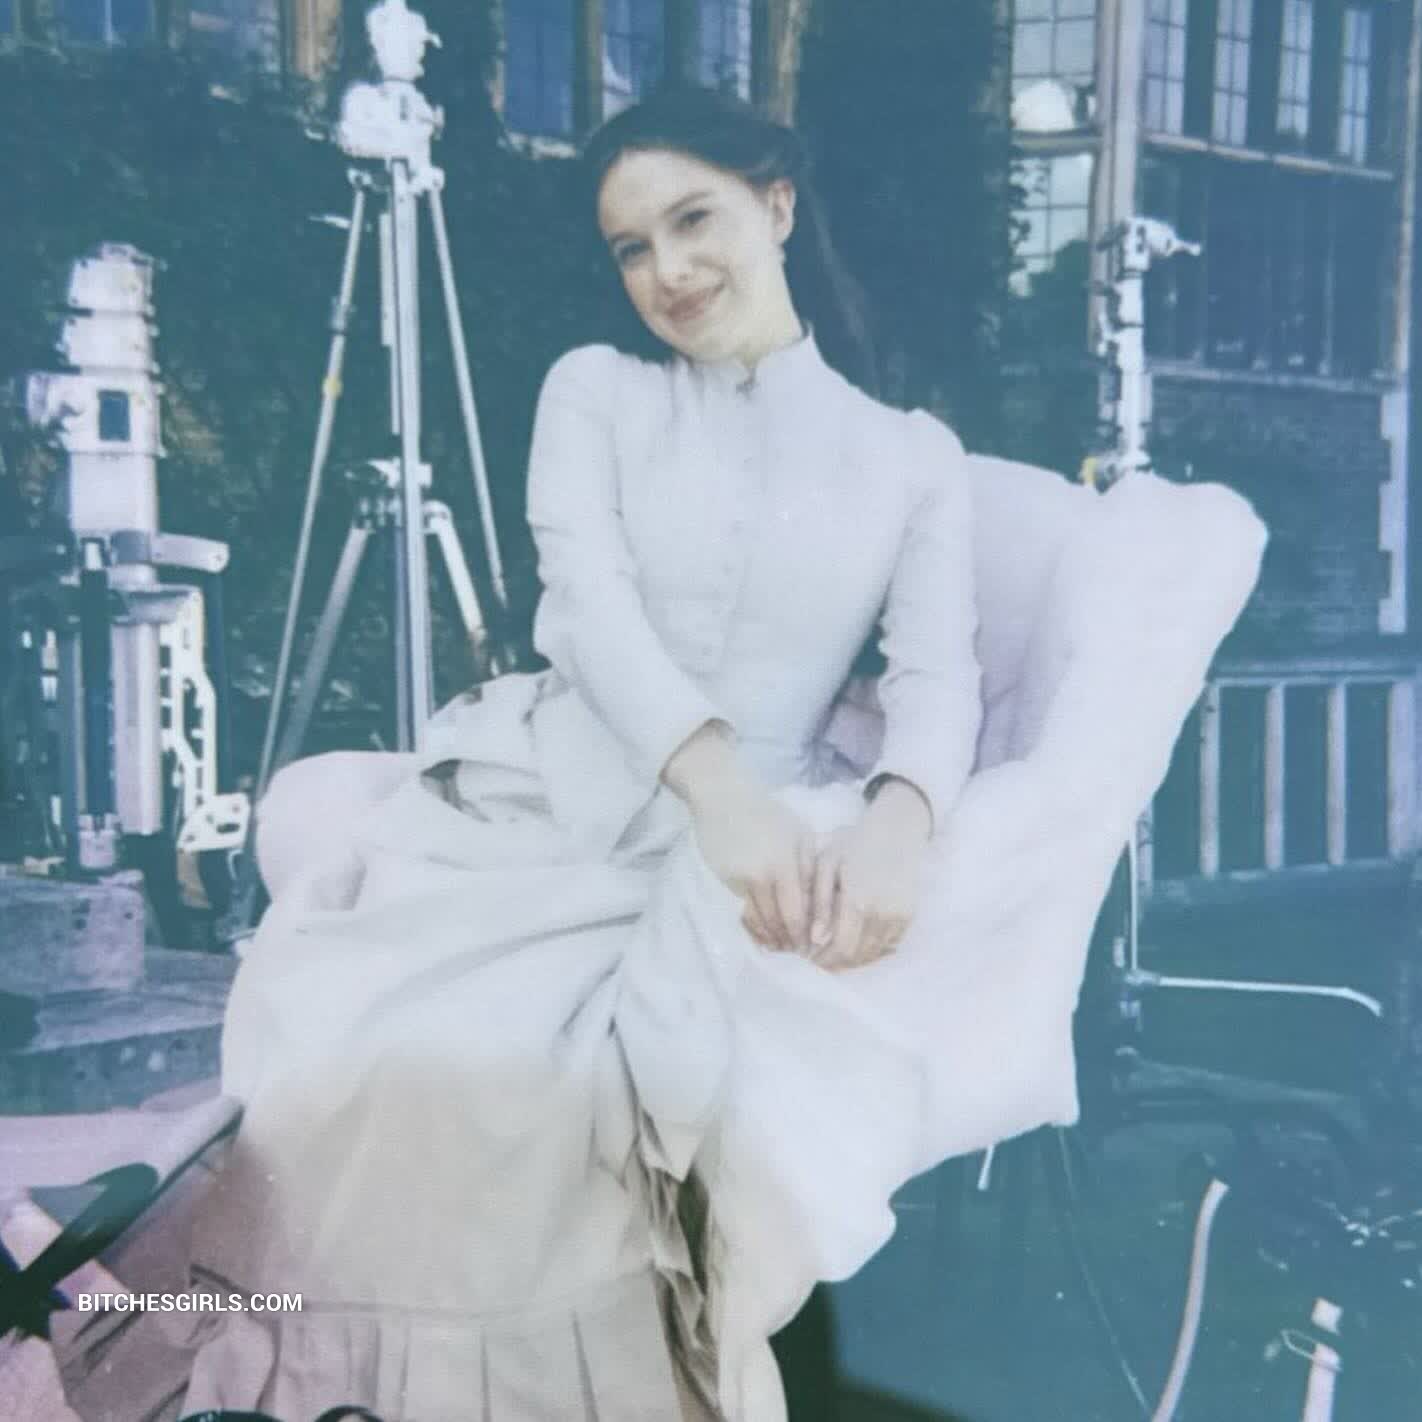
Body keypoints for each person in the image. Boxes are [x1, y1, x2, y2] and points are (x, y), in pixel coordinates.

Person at [49, 83, 1266, 1422]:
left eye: (694, 220)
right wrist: (716, 789)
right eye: (632, 247)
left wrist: (902, 818)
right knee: (390, 1048)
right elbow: (587, 608)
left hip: (746, 832)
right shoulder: (597, 394)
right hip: (545, 798)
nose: (667, 270)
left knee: (547, 1097)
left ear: (777, 205)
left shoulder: (909, 457)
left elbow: (937, 679)